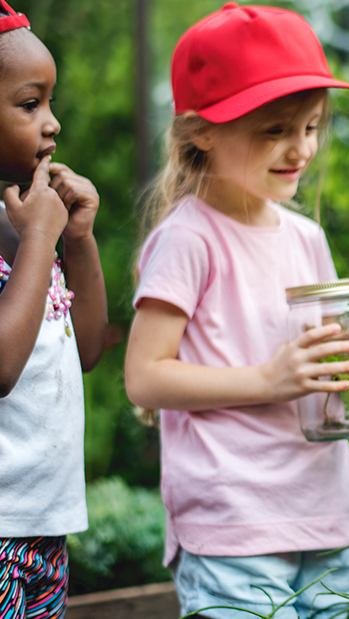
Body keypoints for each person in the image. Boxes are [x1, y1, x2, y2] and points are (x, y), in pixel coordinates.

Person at [123, 5, 349, 617]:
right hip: (233, 530)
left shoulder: (304, 238)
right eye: (275, 130)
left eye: (312, 127)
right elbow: (145, 375)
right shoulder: (189, 238)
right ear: (200, 132)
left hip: (324, 516)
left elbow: (313, 377)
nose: (301, 149)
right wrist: (269, 379)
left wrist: (348, 361)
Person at [0, 1, 109, 616]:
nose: (53, 124)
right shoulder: (28, 233)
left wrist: (77, 237)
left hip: (43, 522)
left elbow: (87, 348)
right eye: (29, 103)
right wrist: (42, 238)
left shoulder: (20, 224)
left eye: (51, 103)